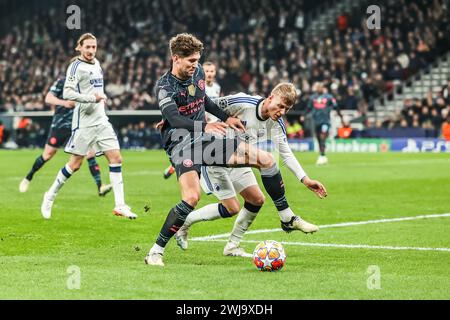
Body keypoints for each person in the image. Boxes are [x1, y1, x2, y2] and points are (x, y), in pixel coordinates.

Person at [145, 33, 288, 267]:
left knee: (265, 158)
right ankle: (155, 251)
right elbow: (173, 118)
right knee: (191, 197)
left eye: (197, 60)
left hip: (206, 139)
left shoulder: (198, 72)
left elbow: (204, 101)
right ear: (176, 58)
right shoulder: (164, 86)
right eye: (190, 60)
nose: (195, 65)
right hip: (181, 143)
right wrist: (207, 125)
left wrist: (226, 118)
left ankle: (286, 216)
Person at [175, 83, 327, 257]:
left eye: (287, 109)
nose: (282, 112)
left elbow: (286, 153)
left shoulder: (276, 123)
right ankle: (185, 222)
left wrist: (305, 179)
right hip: (213, 156)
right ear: (270, 97)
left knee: (256, 199)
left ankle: (232, 246)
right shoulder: (242, 102)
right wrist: (176, 119)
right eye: (280, 106)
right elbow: (203, 103)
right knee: (233, 205)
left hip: (239, 159)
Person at [40, 33, 136, 220]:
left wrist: (100, 99)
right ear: (80, 47)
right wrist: (92, 98)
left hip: (101, 120)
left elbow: (96, 90)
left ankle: (120, 205)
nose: (91, 50)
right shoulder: (75, 66)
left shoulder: (97, 63)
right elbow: (68, 93)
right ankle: (50, 195)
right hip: (84, 123)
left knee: (116, 158)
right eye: (88, 47)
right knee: (75, 165)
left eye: (94, 47)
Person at [19, 77, 112, 196]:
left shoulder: (87, 82)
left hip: (79, 125)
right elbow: (48, 98)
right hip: (60, 125)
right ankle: (29, 177)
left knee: (90, 154)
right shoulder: (63, 81)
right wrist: (65, 103)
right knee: (47, 155)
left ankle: (100, 187)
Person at [163, 61, 222, 180]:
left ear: (215, 73)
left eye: (212, 71)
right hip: (199, 123)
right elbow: (185, 104)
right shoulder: (194, 85)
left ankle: (179, 165)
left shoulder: (217, 87)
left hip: (212, 124)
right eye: (207, 71)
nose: (209, 74)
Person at [307, 82, 343, 165]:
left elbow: (335, 105)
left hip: (325, 121)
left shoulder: (329, 97)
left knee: (322, 136)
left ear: (323, 88)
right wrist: (304, 115)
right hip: (316, 121)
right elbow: (308, 108)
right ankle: (322, 155)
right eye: (318, 87)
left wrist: (339, 114)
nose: (319, 89)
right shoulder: (312, 98)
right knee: (319, 139)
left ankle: (322, 155)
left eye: (321, 87)